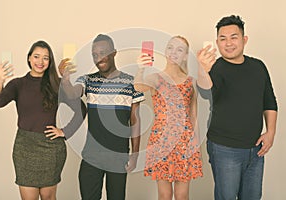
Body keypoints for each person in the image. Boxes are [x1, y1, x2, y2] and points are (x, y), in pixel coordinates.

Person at [196, 15, 278, 200]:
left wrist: (271, 132)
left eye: (234, 37)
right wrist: (202, 70)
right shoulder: (215, 68)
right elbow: (205, 91)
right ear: (217, 42)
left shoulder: (258, 66)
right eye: (223, 39)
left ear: (244, 39)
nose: (228, 43)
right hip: (225, 149)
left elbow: (269, 101)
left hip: (256, 149)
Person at [0, 40, 85, 200]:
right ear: (29, 58)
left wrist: (65, 131)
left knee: (48, 197)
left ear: (50, 62)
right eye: (36, 56)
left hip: (50, 149)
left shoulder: (56, 85)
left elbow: (81, 109)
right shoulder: (18, 84)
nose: (40, 62)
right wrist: (0, 80)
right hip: (25, 148)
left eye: (45, 58)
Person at [59, 34, 145, 200]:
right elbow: (72, 94)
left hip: (118, 155)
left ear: (114, 53)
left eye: (103, 52)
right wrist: (65, 79)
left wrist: (135, 155)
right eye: (95, 55)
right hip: (92, 156)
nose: (99, 58)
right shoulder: (88, 81)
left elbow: (135, 120)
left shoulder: (132, 83)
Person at [134, 36, 203, 200]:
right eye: (170, 47)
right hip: (161, 141)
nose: (174, 52)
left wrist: (196, 144)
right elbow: (138, 86)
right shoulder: (156, 78)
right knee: (164, 195)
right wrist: (140, 68)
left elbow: (193, 115)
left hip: (185, 142)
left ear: (185, 55)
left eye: (179, 49)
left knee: (182, 195)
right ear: (165, 51)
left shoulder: (190, 82)